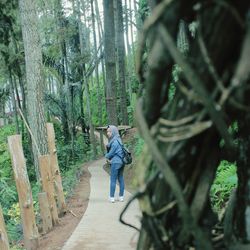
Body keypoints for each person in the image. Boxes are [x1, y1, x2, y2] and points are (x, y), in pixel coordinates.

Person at [105, 125, 125, 203]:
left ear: (114, 132)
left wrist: (106, 155)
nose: (108, 133)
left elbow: (110, 154)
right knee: (121, 179)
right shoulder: (119, 140)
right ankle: (121, 197)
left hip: (115, 162)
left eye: (109, 131)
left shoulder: (114, 142)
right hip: (122, 162)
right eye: (107, 131)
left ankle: (112, 197)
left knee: (113, 179)